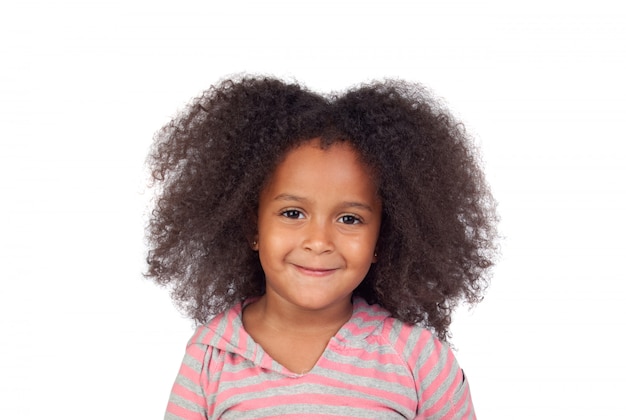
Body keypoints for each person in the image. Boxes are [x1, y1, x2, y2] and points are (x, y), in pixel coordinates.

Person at [145, 76, 498, 419]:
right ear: (252, 226)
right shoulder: (211, 355)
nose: (318, 242)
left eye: (349, 219)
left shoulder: (418, 358)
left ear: (383, 237)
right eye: (293, 213)